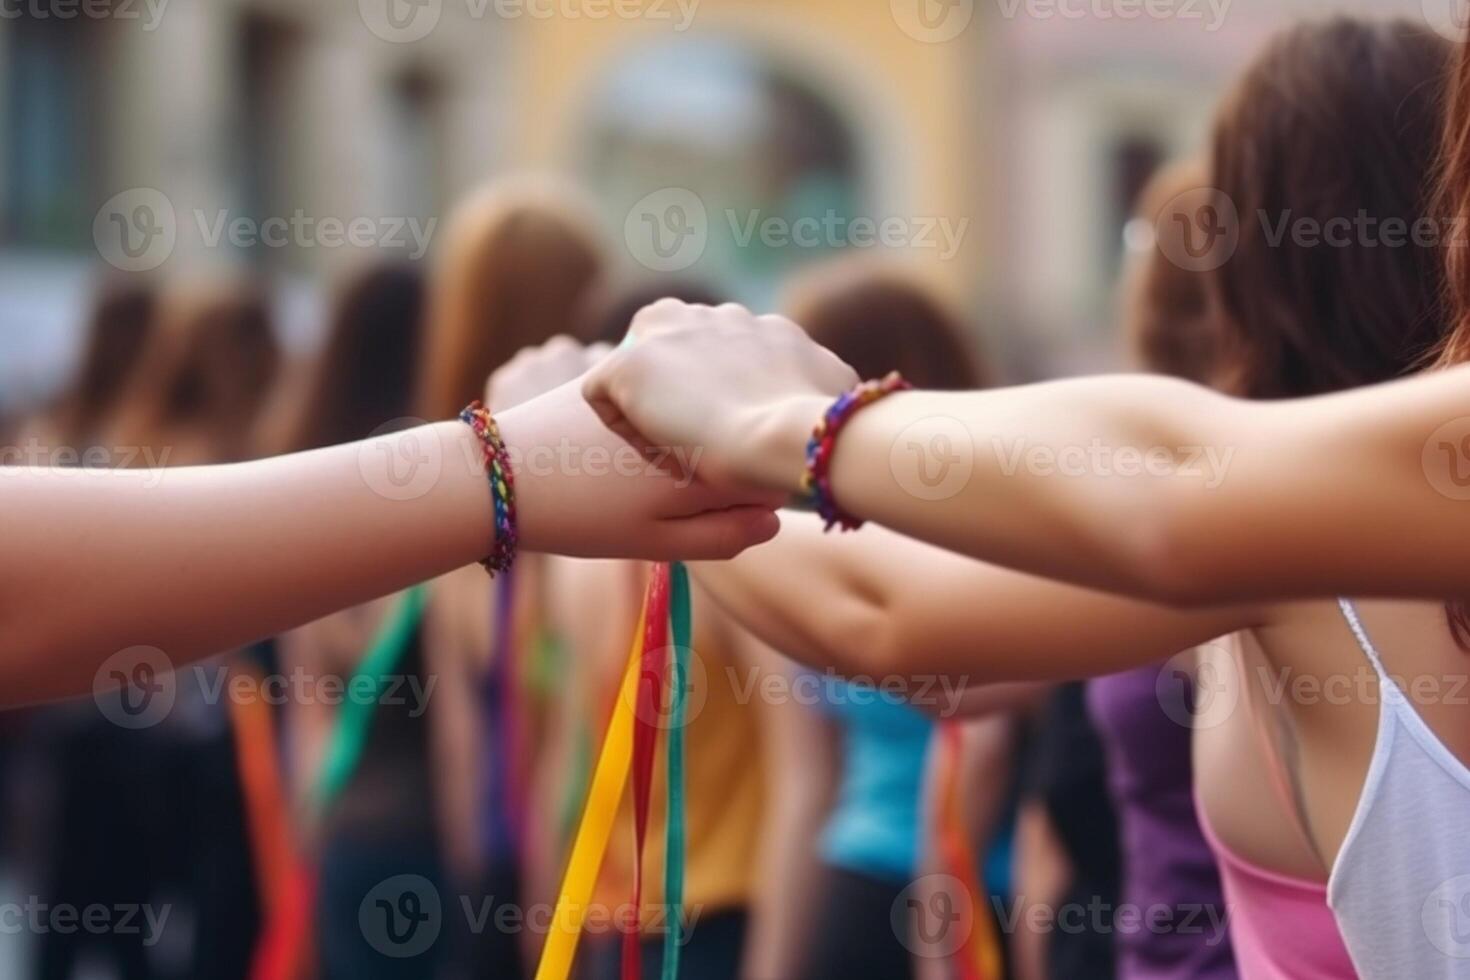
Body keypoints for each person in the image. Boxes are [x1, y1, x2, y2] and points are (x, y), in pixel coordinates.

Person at [578, 19, 1461, 976]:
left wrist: (738, 428)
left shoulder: (1292, 534)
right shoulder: (1304, 528)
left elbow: (908, 606)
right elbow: (890, 611)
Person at [270, 263, 444, 978]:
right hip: (437, 831)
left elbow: (305, 699)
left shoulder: (300, 482)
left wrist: (307, 833)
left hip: (348, 828)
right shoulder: (454, 484)